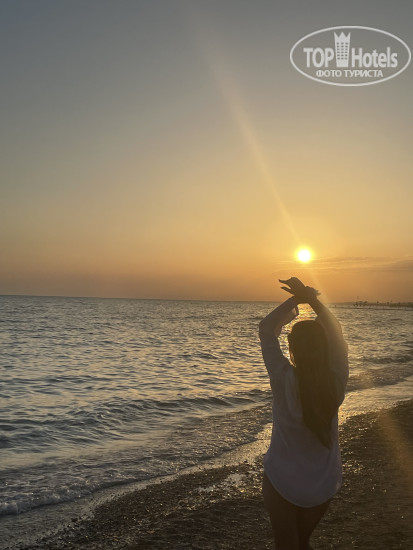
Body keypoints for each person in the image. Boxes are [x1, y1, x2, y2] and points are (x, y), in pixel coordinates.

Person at [259, 277, 349, 550]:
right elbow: (336, 332)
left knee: (287, 545)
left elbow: (265, 329)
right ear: (325, 347)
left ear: (292, 348)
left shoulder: (282, 377)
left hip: (282, 479)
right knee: (302, 543)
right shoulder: (335, 381)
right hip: (322, 482)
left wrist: (296, 299)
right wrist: (313, 301)